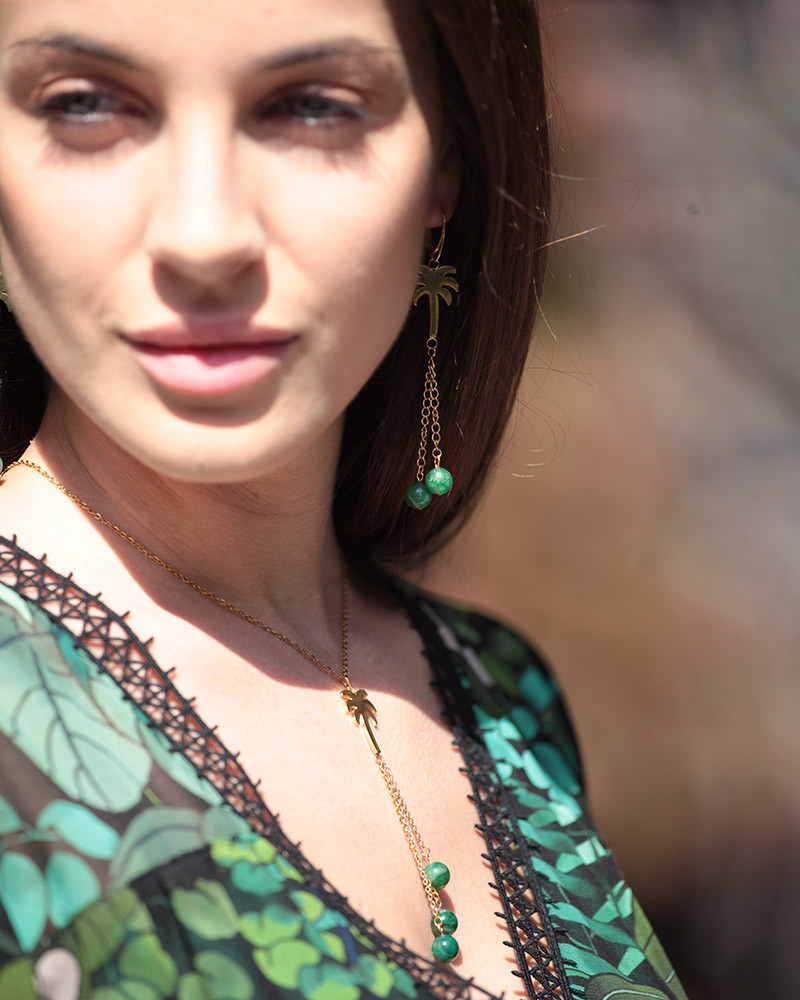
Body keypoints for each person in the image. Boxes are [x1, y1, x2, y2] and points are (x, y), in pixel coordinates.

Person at [0, 1, 687, 998]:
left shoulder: (504, 691)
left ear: (447, 163)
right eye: (86, 105)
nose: (204, 235)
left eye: (312, 107)